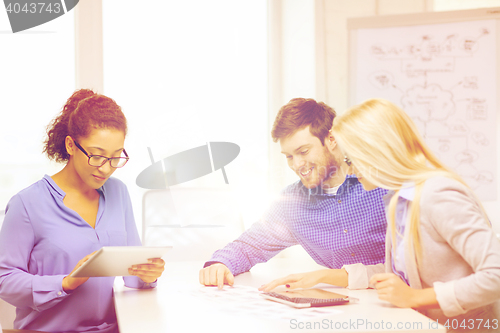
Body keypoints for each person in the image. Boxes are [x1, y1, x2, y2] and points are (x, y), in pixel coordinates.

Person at [261, 98, 500, 330]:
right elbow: (399, 274)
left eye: (351, 159)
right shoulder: (401, 199)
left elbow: (496, 275)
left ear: (377, 153)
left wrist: (414, 298)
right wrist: (326, 276)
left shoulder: (437, 194)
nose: (350, 169)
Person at [0, 89, 165, 333]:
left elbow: (133, 276)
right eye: (97, 156)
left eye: (116, 157)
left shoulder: (118, 192)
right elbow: (5, 280)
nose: (106, 169)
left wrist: (148, 274)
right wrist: (66, 282)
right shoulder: (27, 203)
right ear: (71, 145)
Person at [199, 98, 388, 289]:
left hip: (397, 301)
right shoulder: (293, 202)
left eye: (303, 151)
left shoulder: (382, 182)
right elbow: (251, 245)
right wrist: (220, 264)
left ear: (331, 139)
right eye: (289, 156)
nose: (296, 165)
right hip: (344, 303)